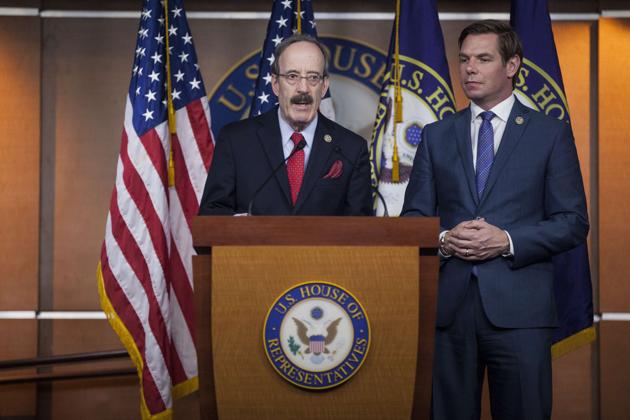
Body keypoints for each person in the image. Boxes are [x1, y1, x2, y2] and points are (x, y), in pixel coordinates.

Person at [401, 20, 589, 419]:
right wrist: (446, 237)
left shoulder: (549, 134)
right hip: (449, 312)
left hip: (521, 313)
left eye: (483, 59)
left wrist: (506, 240)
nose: (469, 68)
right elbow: (414, 219)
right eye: (465, 59)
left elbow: (573, 221)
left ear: (512, 65)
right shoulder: (436, 135)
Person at [198, 34, 371, 215]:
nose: (303, 88)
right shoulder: (236, 141)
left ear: (324, 86)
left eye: (313, 78)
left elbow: (361, 230)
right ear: (275, 84)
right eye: (292, 76)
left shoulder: (351, 149)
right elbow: (212, 215)